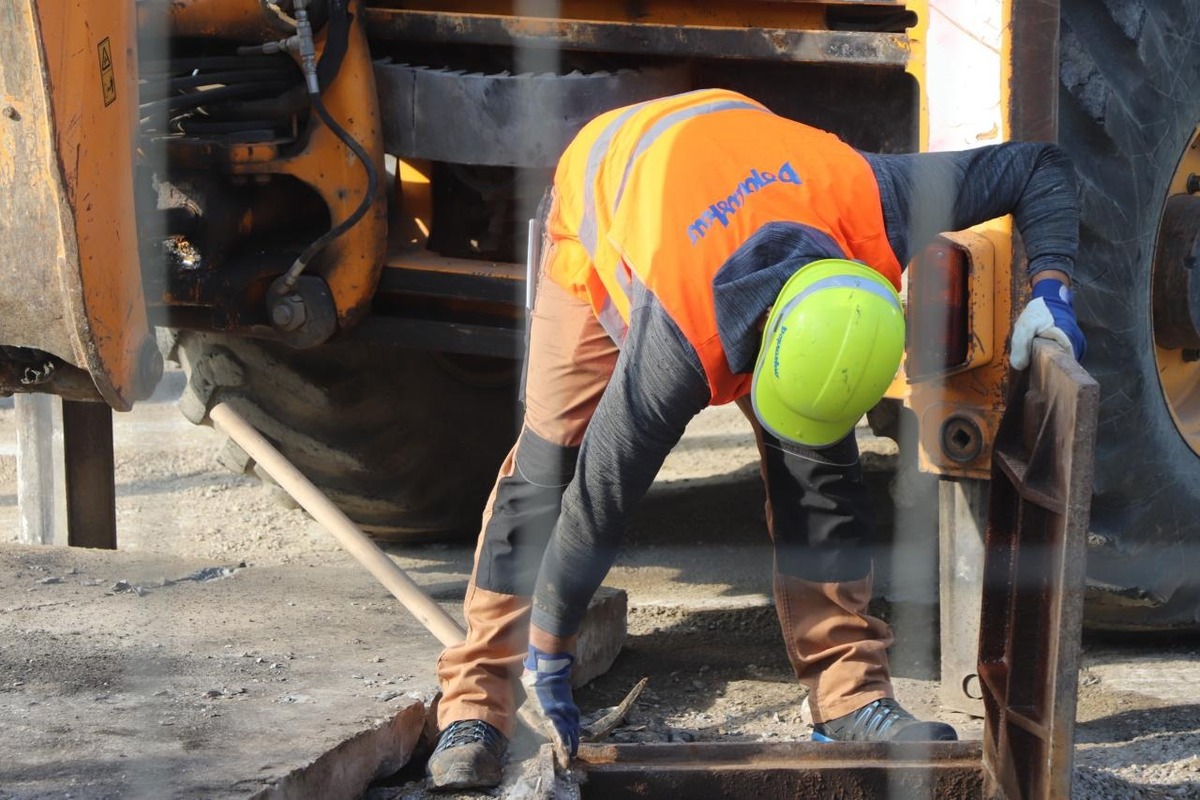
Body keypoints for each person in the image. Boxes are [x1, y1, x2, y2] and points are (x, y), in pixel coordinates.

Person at [426, 88, 1085, 790]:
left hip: (749, 163)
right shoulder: (676, 344)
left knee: (820, 473)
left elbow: (1040, 166)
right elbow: (598, 500)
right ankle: (478, 702)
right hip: (609, 184)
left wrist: (1051, 291)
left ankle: (849, 696)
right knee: (548, 463)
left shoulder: (877, 198)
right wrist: (551, 656)